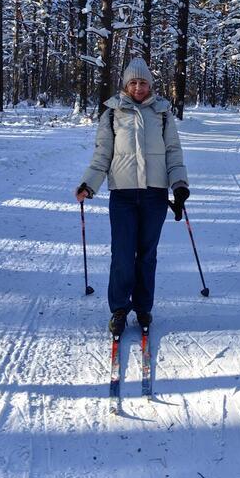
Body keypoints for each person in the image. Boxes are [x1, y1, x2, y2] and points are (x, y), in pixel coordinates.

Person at [75, 57, 189, 336]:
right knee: (123, 255)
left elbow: (173, 152)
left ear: (150, 84)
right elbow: (103, 154)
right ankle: (119, 309)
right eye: (133, 82)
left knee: (147, 255)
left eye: (143, 82)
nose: (138, 87)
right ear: (126, 84)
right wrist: (89, 184)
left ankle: (143, 308)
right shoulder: (112, 113)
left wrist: (180, 185)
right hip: (123, 196)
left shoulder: (162, 113)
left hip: (155, 195)